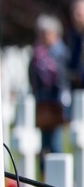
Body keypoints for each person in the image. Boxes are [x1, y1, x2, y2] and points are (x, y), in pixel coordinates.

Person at [29, 13, 70, 159]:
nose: (42, 36)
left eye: (45, 33)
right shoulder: (37, 53)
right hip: (42, 103)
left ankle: (57, 177)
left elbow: (64, 80)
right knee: (43, 144)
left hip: (56, 104)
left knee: (55, 144)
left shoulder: (62, 53)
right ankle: (44, 175)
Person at [64, 0, 84, 90]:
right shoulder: (72, 37)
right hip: (76, 90)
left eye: (79, 14)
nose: (75, 17)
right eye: (73, 14)